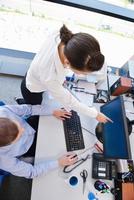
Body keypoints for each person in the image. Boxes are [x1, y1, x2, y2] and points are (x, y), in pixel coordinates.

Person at [18, 24, 109, 123]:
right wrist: (95, 114)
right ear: (67, 63)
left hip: (37, 73)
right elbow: (70, 101)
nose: (84, 75)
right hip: (33, 89)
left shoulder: (64, 39)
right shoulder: (50, 76)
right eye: (83, 73)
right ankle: (26, 113)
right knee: (36, 115)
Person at [0, 104, 77, 179]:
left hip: (31, 124)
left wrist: (53, 111)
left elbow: (29, 109)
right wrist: (59, 163)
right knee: (58, 150)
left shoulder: (3, 111)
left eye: (19, 125)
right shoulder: (3, 159)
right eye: (19, 136)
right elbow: (32, 172)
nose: (23, 129)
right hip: (28, 148)